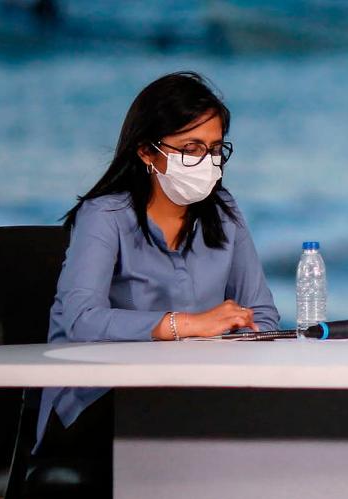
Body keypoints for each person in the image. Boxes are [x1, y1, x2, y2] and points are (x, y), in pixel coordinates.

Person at [36, 71, 279, 455]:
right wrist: (186, 326)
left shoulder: (225, 211)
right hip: (97, 402)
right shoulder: (105, 215)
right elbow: (81, 319)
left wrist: (227, 343)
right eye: (191, 148)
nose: (207, 162)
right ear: (147, 151)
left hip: (193, 390)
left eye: (215, 149)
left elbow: (262, 314)